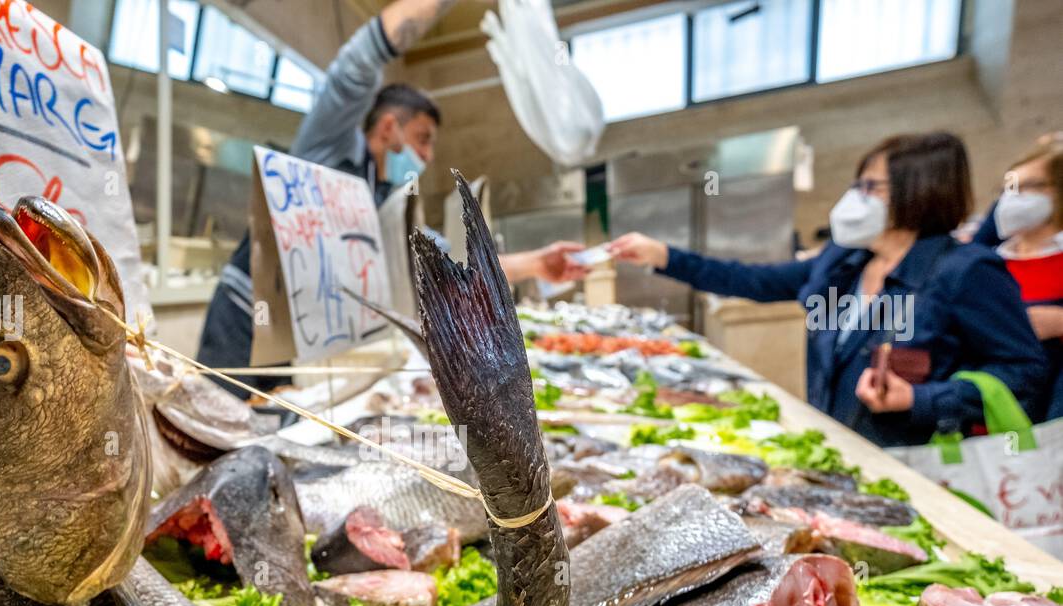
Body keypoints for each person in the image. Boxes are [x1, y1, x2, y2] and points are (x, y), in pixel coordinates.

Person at [197, 0, 588, 394]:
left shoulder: (387, 204)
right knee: (213, 428)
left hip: (289, 333)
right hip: (245, 310)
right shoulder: (330, 146)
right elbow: (356, 65)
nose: (428, 156)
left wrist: (538, 264)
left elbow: (448, 262)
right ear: (387, 126)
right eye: (421, 140)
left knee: (267, 421)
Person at [607, 132, 1049, 448]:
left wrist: (922, 398)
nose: (854, 198)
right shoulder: (846, 261)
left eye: (870, 187)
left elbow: (1023, 371)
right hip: (843, 446)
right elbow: (755, 281)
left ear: (919, 191)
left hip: (921, 461)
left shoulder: (965, 271)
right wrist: (664, 255)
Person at [995, 140, 1063, 419]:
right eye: (1009, 188)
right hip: (1004, 401)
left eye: (1029, 186)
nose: (1013, 198)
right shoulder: (987, 263)